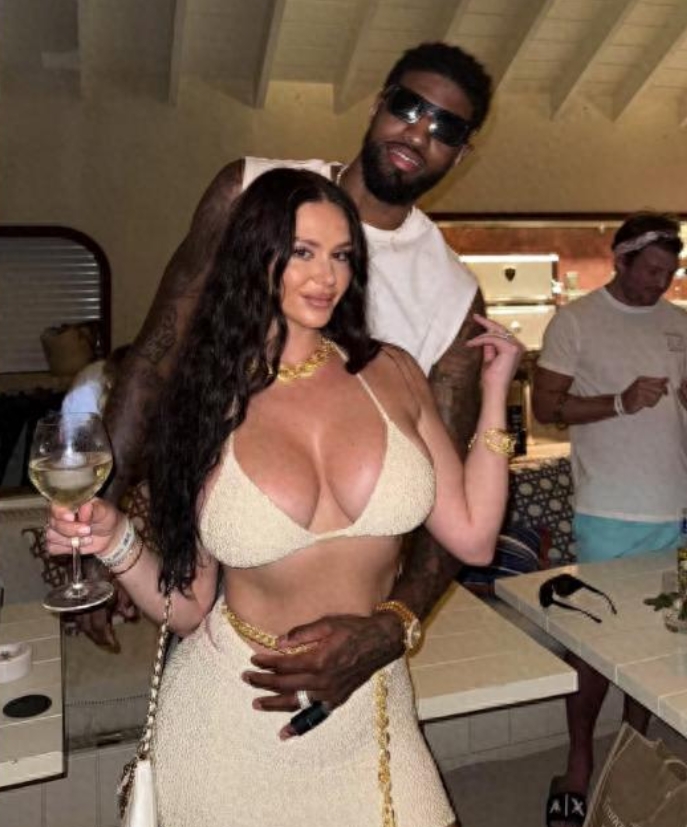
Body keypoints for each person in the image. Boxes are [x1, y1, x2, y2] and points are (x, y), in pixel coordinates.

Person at [46, 169, 522, 827]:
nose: (326, 276)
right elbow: (189, 609)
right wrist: (113, 541)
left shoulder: (392, 372)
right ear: (255, 254)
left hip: (369, 705)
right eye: (302, 251)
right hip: (231, 718)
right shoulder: (204, 398)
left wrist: (496, 394)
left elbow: (473, 536)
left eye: (341, 255)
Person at [100, 41, 495, 703]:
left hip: (345, 595)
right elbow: (156, 354)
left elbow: (447, 491)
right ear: (378, 105)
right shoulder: (250, 191)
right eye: (408, 107)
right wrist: (100, 519)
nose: (417, 133)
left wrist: (393, 624)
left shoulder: (452, 297)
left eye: (445, 128)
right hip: (215, 546)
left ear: (461, 152)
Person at [532, 211, 687, 827]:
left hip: (676, 508)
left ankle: (633, 752)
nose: (660, 283)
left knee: (652, 645)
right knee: (596, 648)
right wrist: (619, 402)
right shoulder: (576, 321)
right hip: (609, 511)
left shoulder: (680, 322)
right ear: (620, 260)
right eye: (650, 271)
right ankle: (579, 763)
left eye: (669, 273)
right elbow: (545, 409)